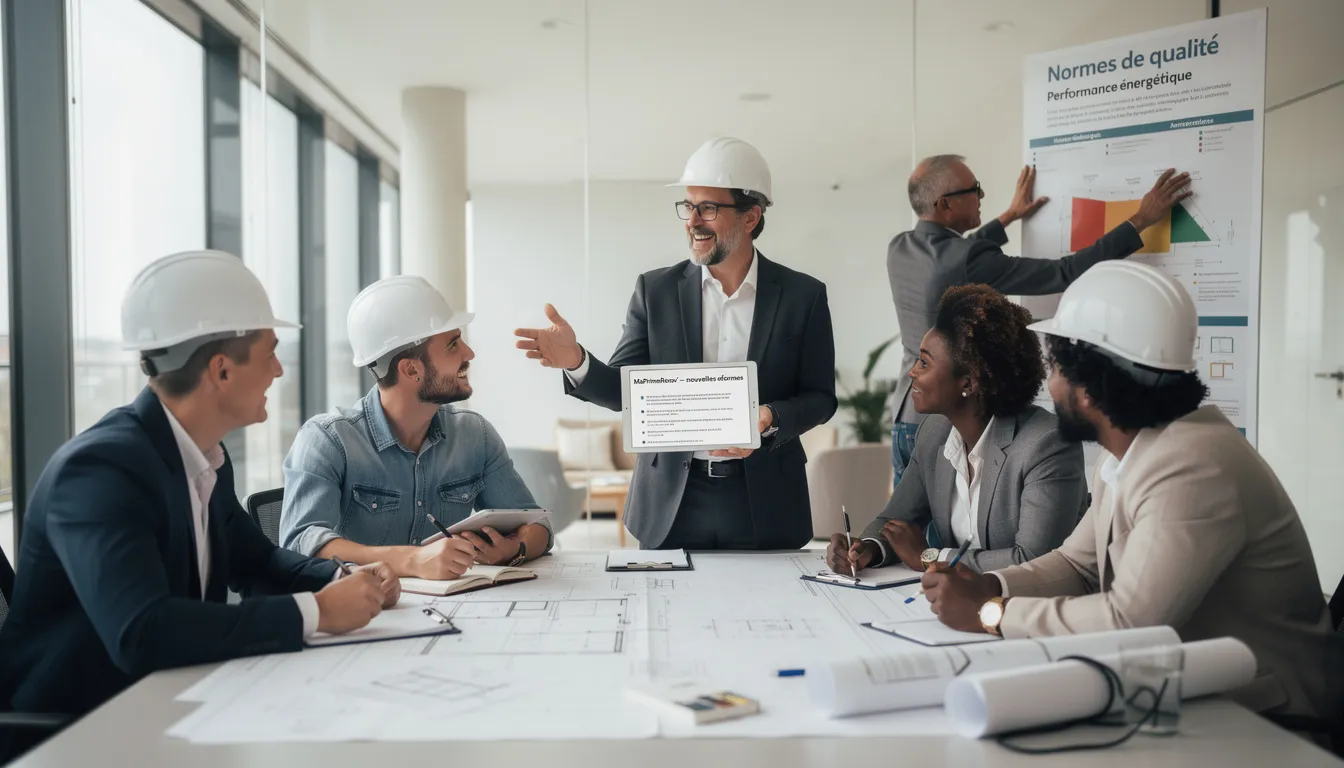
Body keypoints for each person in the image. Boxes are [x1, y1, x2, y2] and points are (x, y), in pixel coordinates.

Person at [0, 251, 399, 756]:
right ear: (222, 371)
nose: (279, 370)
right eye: (270, 352)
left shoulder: (205, 455)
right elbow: (142, 631)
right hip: (77, 734)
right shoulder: (100, 470)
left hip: (177, 707)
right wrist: (316, 611)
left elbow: (256, 563)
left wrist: (342, 579)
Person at [920, 261, 1343, 721]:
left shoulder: (1193, 464)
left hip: (1271, 713)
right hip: (1196, 680)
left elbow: (1131, 621)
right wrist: (992, 583)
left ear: (1087, 387)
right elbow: (1076, 564)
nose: (1050, 384)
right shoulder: (1134, 447)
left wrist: (995, 613)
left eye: (1055, 368)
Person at [515, 137, 837, 550]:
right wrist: (577, 361)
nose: (692, 220)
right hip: (672, 502)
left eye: (708, 208)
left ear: (751, 217)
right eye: (688, 207)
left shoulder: (803, 295)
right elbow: (623, 392)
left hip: (767, 501)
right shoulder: (655, 291)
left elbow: (820, 397)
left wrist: (770, 416)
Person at [886, 155, 1193, 488]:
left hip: (906, 413)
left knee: (906, 528)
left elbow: (956, 256)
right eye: (974, 189)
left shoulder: (900, 247)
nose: (982, 196)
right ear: (945, 204)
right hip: (946, 423)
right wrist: (1141, 220)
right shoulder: (967, 259)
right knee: (940, 535)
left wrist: (1007, 218)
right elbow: (1065, 273)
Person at [281, 276, 551, 577]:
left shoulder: (474, 436)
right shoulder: (328, 441)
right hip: (366, 617)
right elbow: (299, 545)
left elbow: (538, 526)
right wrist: (413, 560)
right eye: (452, 346)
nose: (469, 354)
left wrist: (515, 549)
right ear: (410, 369)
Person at [826, 285, 1085, 576]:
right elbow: (894, 520)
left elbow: (1034, 560)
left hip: (1029, 609)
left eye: (924, 362)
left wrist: (929, 558)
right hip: (954, 607)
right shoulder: (934, 433)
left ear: (968, 383)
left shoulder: (1046, 443)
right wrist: (867, 550)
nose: (913, 372)